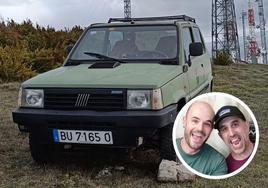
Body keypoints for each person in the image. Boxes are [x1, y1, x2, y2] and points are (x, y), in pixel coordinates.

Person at [176, 101, 227, 176]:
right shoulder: (168, 147)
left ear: (211, 129)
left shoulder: (217, 163)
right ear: (184, 121)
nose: (200, 129)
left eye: (207, 124)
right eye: (195, 121)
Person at [214, 105, 254, 173]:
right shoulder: (223, 170)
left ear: (247, 125)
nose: (232, 133)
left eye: (235, 124)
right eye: (224, 129)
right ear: (221, 137)